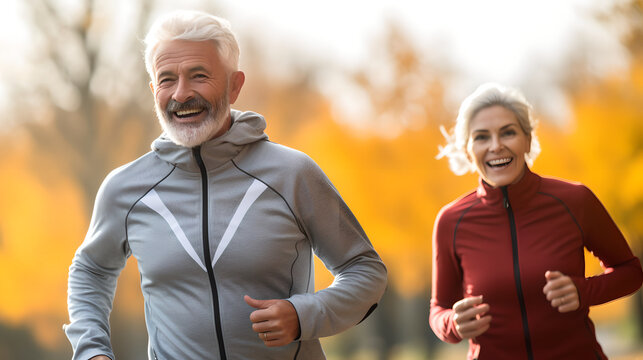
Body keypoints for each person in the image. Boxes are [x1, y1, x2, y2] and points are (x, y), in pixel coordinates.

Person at [64, 10, 387, 360]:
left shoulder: (292, 174)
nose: (181, 93)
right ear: (153, 89)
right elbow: (90, 271)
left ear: (235, 85)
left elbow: (366, 272)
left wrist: (302, 315)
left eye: (198, 76)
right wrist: (92, 351)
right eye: (166, 79)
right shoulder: (125, 188)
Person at [429, 82, 643, 360]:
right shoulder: (451, 221)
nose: (496, 146)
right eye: (482, 137)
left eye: (508, 132)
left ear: (528, 140)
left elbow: (631, 272)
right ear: (468, 151)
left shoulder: (574, 200)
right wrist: (452, 323)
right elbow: (438, 309)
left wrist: (584, 291)